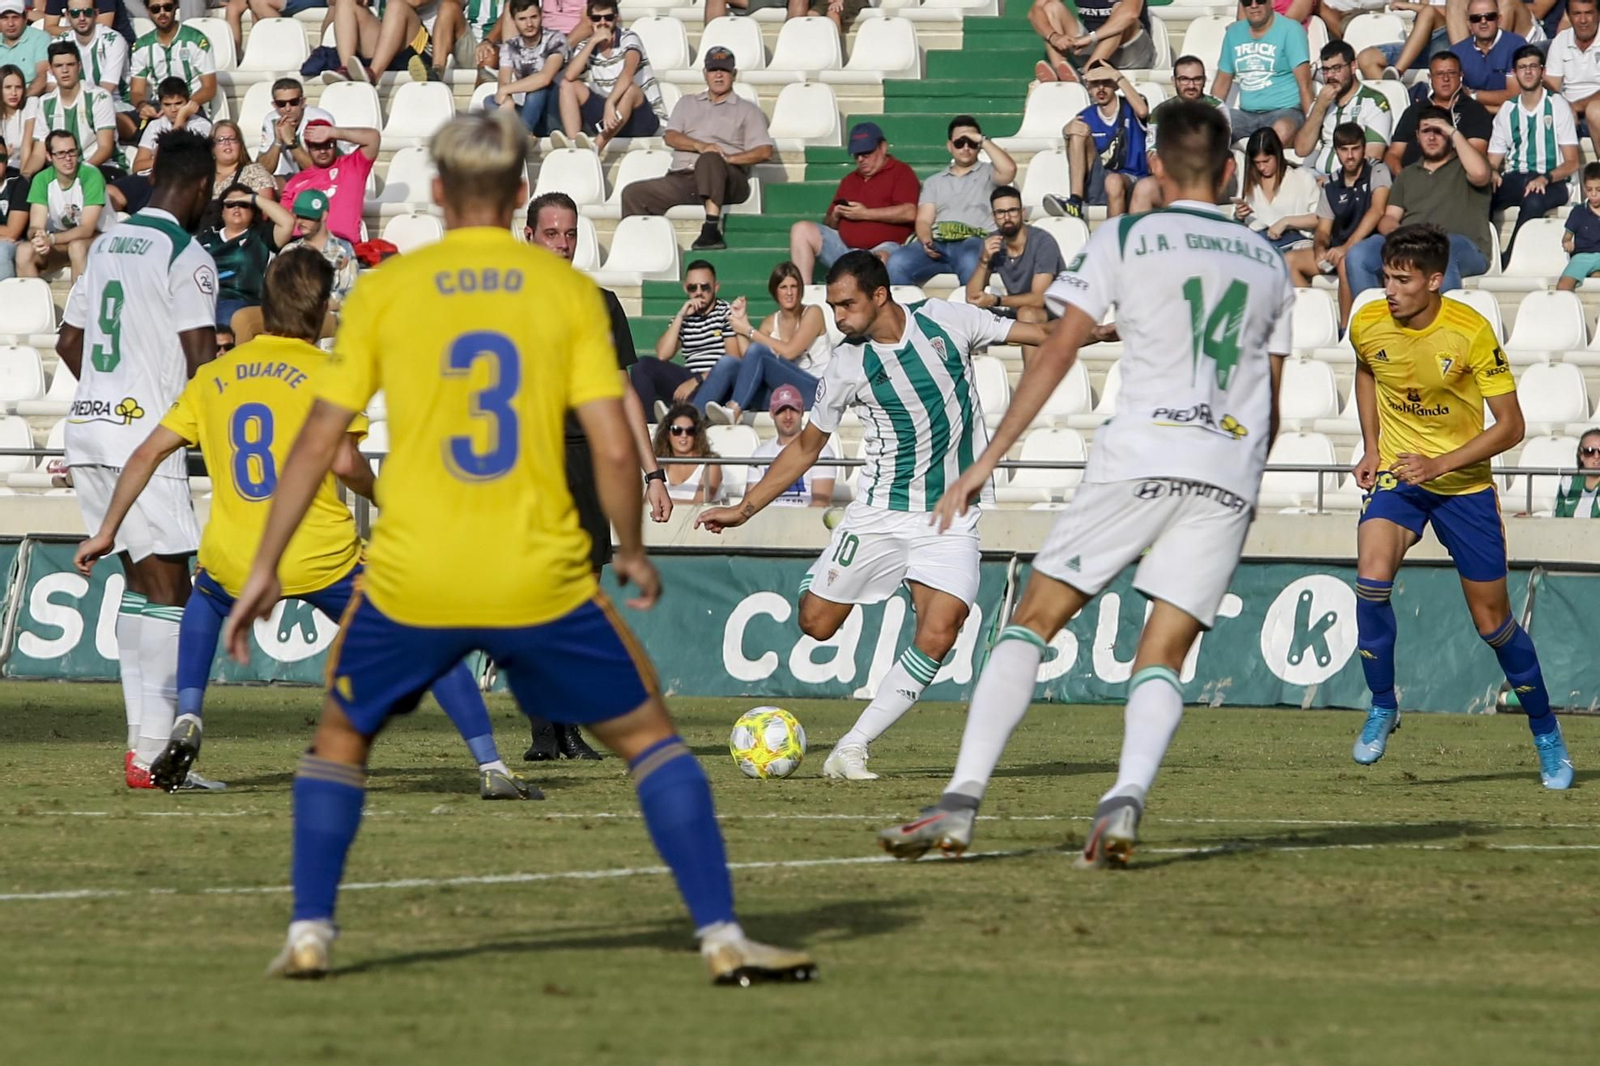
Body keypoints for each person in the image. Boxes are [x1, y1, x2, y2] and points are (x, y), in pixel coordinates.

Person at [221, 110, 814, 984]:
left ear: (434, 193)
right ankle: (723, 937)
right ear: (518, 199)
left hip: (413, 572)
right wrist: (635, 548)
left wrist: (265, 565)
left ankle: (310, 931)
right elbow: (615, 441)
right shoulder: (566, 295)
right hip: (536, 572)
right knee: (653, 740)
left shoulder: (387, 293)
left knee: (340, 743)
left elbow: (317, 439)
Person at [876, 100, 1294, 867]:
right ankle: (1125, 800)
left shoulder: (1128, 235)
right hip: (1228, 468)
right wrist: (1248, 485)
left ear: (1157, 169)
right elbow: (1270, 390)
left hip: (1141, 453)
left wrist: (985, 461)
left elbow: (1059, 351)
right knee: (1163, 655)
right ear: (1230, 170)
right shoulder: (1269, 262)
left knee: (1031, 622)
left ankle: (962, 801)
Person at [71, 249, 533, 801]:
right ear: (320, 312)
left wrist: (106, 529)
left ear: (266, 306)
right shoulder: (329, 374)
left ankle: (189, 714)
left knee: (206, 600)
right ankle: (491, 764)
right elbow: (344, 463)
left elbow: (145, 455)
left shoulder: (216, 375)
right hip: (319, 552)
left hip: (237, 554)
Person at [695, 251, 1051, 781]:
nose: (838, 316)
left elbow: (1038, 334)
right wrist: (745, 510)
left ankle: (853, 747)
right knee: (815, 624)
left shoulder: (946, 319)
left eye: (846, 304)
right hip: (879, 512)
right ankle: (845, 562)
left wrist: (1107, 331)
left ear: (879, 295)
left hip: (949, 516)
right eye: (833, 306)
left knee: (941, 629)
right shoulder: (845, 364)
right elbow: (807, 446)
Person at [1346, 223, 1571, 790]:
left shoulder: (1470, 332)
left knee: (1492, 624)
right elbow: (1367, 370)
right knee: (1370, 581)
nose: (1389, 289)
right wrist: (1373, 447)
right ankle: (1382, 704)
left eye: (1402, 279)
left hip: (1464, 487)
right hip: (1401, 476)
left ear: (1435, 280)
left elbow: (1512, 427)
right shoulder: (1369, 321)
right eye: (1387, 277)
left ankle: (1546, 734)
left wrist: (1441, 465)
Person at [54, 128, 218, 790]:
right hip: (141, 443)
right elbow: (203, 360)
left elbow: (70, 342)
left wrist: (106, 391)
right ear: (201, 187)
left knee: (137, 587)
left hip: (88, 429)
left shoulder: (108, 243)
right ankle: (158, 758)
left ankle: (139, 754)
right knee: (173, 591)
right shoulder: (187, 253)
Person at [521, 189, 671, 763]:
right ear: (528, 236)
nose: (562, 244)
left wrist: (652, 472)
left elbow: (624, 393)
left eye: (569, 233)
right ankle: (543, 733)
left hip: (585, 461)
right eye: (551, 233)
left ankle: (569, 728)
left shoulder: (599, 302)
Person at [618, 45, 771, 250]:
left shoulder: (747, 110)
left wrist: (728, 159)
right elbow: (670, 136)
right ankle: (639, 250)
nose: (718, 75)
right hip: (684, 178)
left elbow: (764, 151)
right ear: (705, 73)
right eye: (713, 70)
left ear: (734, 74)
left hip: (727, 178)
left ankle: (711, 229)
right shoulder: (687, 103)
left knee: (710, 159)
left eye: (724, 70)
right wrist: (701, 146)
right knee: (633, 193)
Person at [1342, 107, 1493, 302]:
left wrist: (1454, 132)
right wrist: (1400, 236)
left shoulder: (1466, 165)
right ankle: (1377, 323)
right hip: (1412, 246)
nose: (1432, 137)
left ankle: (1444, 326)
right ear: (1417, 136)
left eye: (1439, 131)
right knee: (1358, 254)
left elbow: (1481, 174)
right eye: (1426, 131)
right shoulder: (1407, 174)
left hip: (1463, 246)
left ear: (1450, 134)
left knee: (1440, 252)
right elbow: (1389, 217)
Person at [886, 115, 1016, 286]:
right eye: (960, 142)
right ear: (949, 146)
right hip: (938, 244)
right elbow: (924, 219)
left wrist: (982, 140)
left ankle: (972, 311)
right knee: (896, 263)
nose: (966, 147)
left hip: (975, 241)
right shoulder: (934, 181)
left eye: (972, 142)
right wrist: (926, 240)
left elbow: (1010, 169)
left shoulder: (990, 173)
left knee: (971, 260)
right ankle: (913, 311)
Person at [700, 259, 829, 424]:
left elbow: (790, 351)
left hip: (815, 392)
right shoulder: (770, 322)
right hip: (784, 396)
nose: (789, 292)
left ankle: (734, 409)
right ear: (775, 292)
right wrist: (741, 325)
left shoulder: (813, 313)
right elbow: (750, 362)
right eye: (783, 287)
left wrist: (748, 330)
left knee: (759, 351)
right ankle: (688, 417)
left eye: (793, 286)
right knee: (729, 363)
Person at [788, 122, 917, 284]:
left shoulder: (901, 172)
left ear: (882, 148)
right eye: (857, 155)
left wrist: (865, 213)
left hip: (885, 248)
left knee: (881, 260)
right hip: (845, 249)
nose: (861, 159)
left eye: (866, 153)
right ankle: (803, 295)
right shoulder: (849, 180)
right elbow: (829, 225)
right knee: (801, 230)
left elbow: (909, 212)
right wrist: (835, 215)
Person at [1488, 44, 1580, 263]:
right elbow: (1493, 161)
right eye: (1522, 67)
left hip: (1553, 180)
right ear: (1515, 73)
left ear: (1542, 72)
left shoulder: (1557, 105)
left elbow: (1572, 162)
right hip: (1517, 177)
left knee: (1534, 199)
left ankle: (1509, 258)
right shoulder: (1507, 110)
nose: (1527, 72)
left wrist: (1545, 178)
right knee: (1479, 194)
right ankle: (1482, 251)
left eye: (1532, 66)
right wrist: (1490, 173)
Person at [965, 185, 1063, 365]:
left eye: (1012, 211)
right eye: (1001, 212)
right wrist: (984, 260)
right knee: (967, 313)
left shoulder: (1043, 242)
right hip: (1015, 312)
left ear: (1023, 212)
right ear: (993, 216)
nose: (1007, 217)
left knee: (1027, 314)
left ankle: (1031, 381)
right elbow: (972, 296)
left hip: (1054, 313)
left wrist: (996, 300)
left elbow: (1040, 299)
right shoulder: (992, 242)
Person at [555, 0, 666, 155]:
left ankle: (595, 148)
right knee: (568, 85)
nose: (602, 23)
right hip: (610, 117)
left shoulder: (628, 37)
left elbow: (628, 74)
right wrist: (593, 41)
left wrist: (610, 103)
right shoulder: (588, 45)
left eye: (608, 18)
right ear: (590, 21)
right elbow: (570, 75)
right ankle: (575, 145)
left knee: (630, 90)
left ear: (616, 18)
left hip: (641, 117)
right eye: (596, 18)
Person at [628, 259, 736, 415]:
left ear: (716, 287)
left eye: (705, 287)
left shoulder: (726, 312)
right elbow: (663, 354)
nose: (698, 292)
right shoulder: (686, 315)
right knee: (643, 365)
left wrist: (698, 379)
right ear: (686, 289)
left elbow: (733, 361)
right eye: (693, 288)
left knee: (708, 385)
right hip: (689, 377)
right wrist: (680, 316)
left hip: (716, 381)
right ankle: (649, 425)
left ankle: (680, 414)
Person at [1045, 61, 1148, 220]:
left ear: (1114, 85)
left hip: (1134, 181)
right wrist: (1066, 132)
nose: (1100, 88)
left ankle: (1113, 237)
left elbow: (1142, 111)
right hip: (1100, 183)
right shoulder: (1086, 116)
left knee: (1113, 181)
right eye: (1095, 83)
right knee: (1077, 130)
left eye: (1106, 82)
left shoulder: (1131, 105)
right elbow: (1076, 157)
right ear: (1088, 87)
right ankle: (1075, 201)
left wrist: (1117, 76)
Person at [1130, 54, 1230, 211]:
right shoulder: (1161, 112)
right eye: (1184, 79)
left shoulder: (1216, 109)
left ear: (1204, 80)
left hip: (1205, 179)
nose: (1191, 85)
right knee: (1143, 188)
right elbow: (1151, 153)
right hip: (1170, 176)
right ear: (1174, 81)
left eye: (1196, 79)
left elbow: (1219, 151)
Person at [1313, 123, 1393, 321]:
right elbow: (1323, 229)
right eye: (1344, 150)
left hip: (1374, 243)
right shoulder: (1331, 183)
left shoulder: (1377, 169)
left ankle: (1346, 328)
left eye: (1355, 149)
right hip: (1340, 245)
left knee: (1345, 261)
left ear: (1364, 148)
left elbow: (1377, 209)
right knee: (1291, 262)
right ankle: (1318, 324)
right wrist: (1320, 249)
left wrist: (1346, 247)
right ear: (1337, 151)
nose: (1350, 156)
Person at [1213, 0, 1312, 146]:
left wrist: (1312, 126)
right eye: (1247, 1)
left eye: (1260, 0)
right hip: (1245, 114)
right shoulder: (1233, 33)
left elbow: (1305, 84)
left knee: (1281, 130)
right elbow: (1222, 80)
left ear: (1270, 2)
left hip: (1285, 111)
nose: (1254, 5)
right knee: (1209, 130)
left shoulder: (1291, 29)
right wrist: (1208, 117)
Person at [200, 182, 295, 329]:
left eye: (244, 204)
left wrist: (254, 198)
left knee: (225, 316)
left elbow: (288, 222)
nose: (237, 208)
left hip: (244, 304)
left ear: (253, 211)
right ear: (222, 211)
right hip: (205, 302)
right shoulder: (206, 238)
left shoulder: (261, 236)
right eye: (230, 204)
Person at [17, 129, 108, 279]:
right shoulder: (41, 180)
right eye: (60, 153)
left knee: (77, 247)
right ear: (49, 156)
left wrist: (52, 239)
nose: (68, 158)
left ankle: (79, 301)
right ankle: (32, 302)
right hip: (62, 241)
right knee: (24, 251)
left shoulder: (91, 175)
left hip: (99, 239)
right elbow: (35, 225)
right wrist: (38, 236)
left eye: (72, 152)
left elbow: (87, 229)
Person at [1384, 50, 1493, 175]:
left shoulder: (1475, 111)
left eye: (1451, 73)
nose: (1445, 79)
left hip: (1454, 180)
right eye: (1439, 74)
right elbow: (1393, 154)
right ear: (1430, 78)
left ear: (1461, 76)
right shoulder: (1414, 111)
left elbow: (1477, 155)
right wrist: (1403, 178)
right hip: (1413, 180)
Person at [1294, 40, 1392, 176]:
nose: (1330, 76)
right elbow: (1301, 150)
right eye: (1326, 70)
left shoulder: (1374, 102)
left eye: (1336, 68)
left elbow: (1372, 157)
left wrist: (1333, 181)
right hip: (1317, 176)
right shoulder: (1321, 102)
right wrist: (1319, 107)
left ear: (1353, 66)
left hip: (1353, 181)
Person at [321, 0, 477, 86]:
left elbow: (416, 2)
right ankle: (346, 69)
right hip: (389, 40)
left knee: (397, 4)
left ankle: (373, 74)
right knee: (345, 2)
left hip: (422, 48)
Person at [1237, 127, 1320, 285]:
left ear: (1277, 155)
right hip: (1260, 245)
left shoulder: (1301, 177)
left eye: (1266, 161)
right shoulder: (1250, 183)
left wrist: (1286, 221)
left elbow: (1319, 218)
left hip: (1295, 244)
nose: (1262, 167)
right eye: (1257, 163)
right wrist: (1239, 216)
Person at [281, 118, 379, 244]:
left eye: (328, 145)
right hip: (305, 247)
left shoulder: (353, 166)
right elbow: (285, 223)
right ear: (308, 148)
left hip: (344, 245)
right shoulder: (295, 182)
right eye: (316, 146)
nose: (322, 151)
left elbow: (373, 138)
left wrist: (334, 132)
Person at [745, 384, 836, 508]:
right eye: (781, 410)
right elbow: (750, 503)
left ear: (802, 412)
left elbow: (820, 504)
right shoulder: (759, 454)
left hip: (804, 522)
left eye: (793, 409)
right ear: (771, 414)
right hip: (767, 521)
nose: (788, 416)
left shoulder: (822, 450)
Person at [1027, 0, 1156, 83]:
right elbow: (1034, 11)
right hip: (1094, 47)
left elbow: (1131, 13)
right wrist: (1054, 37)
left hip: (1132, 51)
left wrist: (1090, 38)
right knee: (1051, 6)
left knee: (1120, 12)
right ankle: (1061, 75)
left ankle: (1087, 77)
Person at [129, 2, 216, 123]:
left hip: (191, 106)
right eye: (156, 9)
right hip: (157, 107)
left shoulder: (196, 40)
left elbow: (210, 87)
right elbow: (136, 91)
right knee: (119, 121)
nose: (162, 13)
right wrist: (142, 106)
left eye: (167, 7)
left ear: (176, 7)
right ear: (148, 11)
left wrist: (184, 106)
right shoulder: (142, 46)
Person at [34, 40, 114, 173]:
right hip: (61, 173)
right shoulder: (44, 102)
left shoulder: (99, 97)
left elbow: (105, 148)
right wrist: (25, 175)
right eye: (59, 66)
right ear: (51, 70)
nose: (65, 70)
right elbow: (38, 153)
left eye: (70, 65)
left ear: (79, 66)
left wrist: (78, 173)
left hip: (99, 168)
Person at [489, 0, 565, 138]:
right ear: (514, 20)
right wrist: (507, 100)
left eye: (533, 17)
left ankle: (522, 134)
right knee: (490, 101)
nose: (529, 24)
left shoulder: (556, 39)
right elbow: (503, 81)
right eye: (522, 19)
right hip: (531, 112)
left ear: (541, 15)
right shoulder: (510, 46)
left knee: (537, 88)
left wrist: (506, 90)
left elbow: (544, 78)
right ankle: (523, 132)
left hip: (554, 114)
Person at [61, 1, 132, 142]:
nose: (81, 18)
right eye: (75, 13)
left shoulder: (114, 40)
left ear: (96, 13)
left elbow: (106, 89)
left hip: (117, 104)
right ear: (68, 16)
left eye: (87, 12)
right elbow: (52, 86)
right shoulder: (60, 43)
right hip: (73, 105)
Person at [277, 188, 357, 308]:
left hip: (332, 318)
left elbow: (350, 294)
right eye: (298, 216)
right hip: (294, 317)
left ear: (323, 215)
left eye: (308, 217)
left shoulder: (343, 249)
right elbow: (277, 292)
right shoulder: (289, 251)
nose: (301, 221)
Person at [1546, 0, 1600, 158]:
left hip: (1594, 108)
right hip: (1569, 109)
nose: (1583, 20)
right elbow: (1550, 84)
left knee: (1595, 111)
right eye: (1577, 14)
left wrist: (1576, 107)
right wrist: (1563, 107)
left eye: (1588, 13)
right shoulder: (1561, 41)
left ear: (1598, 15)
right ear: (1569, 16)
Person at [256, 77, 332, 188]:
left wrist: (291, 141)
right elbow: (260, 172)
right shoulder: (272, 120)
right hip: (297, 178)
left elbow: (320, 171)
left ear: (303, 102)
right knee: (259, 184)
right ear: (274, 105)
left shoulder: (319, 119)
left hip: (327, 180)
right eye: (281, 104)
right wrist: (277, 141)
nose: (288, 108)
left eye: (293, 102)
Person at [654, 404, 722, 504]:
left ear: (696, 434)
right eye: (677, 430)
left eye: (690, 431)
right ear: (667, 434)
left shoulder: (710, 464)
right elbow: (647, 501)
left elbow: (700, 504)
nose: (684, 435)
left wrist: (662, 503)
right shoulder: (659, 463)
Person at [1558, 161, 1600, 289]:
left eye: (1599, 190)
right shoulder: (1578, 212)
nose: (1593, 194)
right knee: (1563, 286)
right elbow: (1567, 236)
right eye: (1589, 190)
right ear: (1583, 188)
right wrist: (1567, 242)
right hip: (1582, 256)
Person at [0, 0, 50, 98]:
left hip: (31, 99)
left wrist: (20, 101)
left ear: (25, 17)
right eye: (5, 18)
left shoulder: (40, 38)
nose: (10, 24)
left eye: (15, 17)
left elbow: (42, 77)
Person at [1553, 428, 1600, 515]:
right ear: (1581, 455)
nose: (1596, 456)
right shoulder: (1568, 481)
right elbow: (1557, 518)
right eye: (1589, 451)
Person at [1, 64, 39, 166]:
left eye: (18, 87)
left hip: (24, 168)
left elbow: (27, 144)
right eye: (8, 87)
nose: (14, 93)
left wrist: (22, 178)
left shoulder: (31, 103)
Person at [0, 136, 25, 278]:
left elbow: (12, 232)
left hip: (16, 244)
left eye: (1, 158)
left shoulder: (18, 183)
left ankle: (5, 299)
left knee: (1, 252)